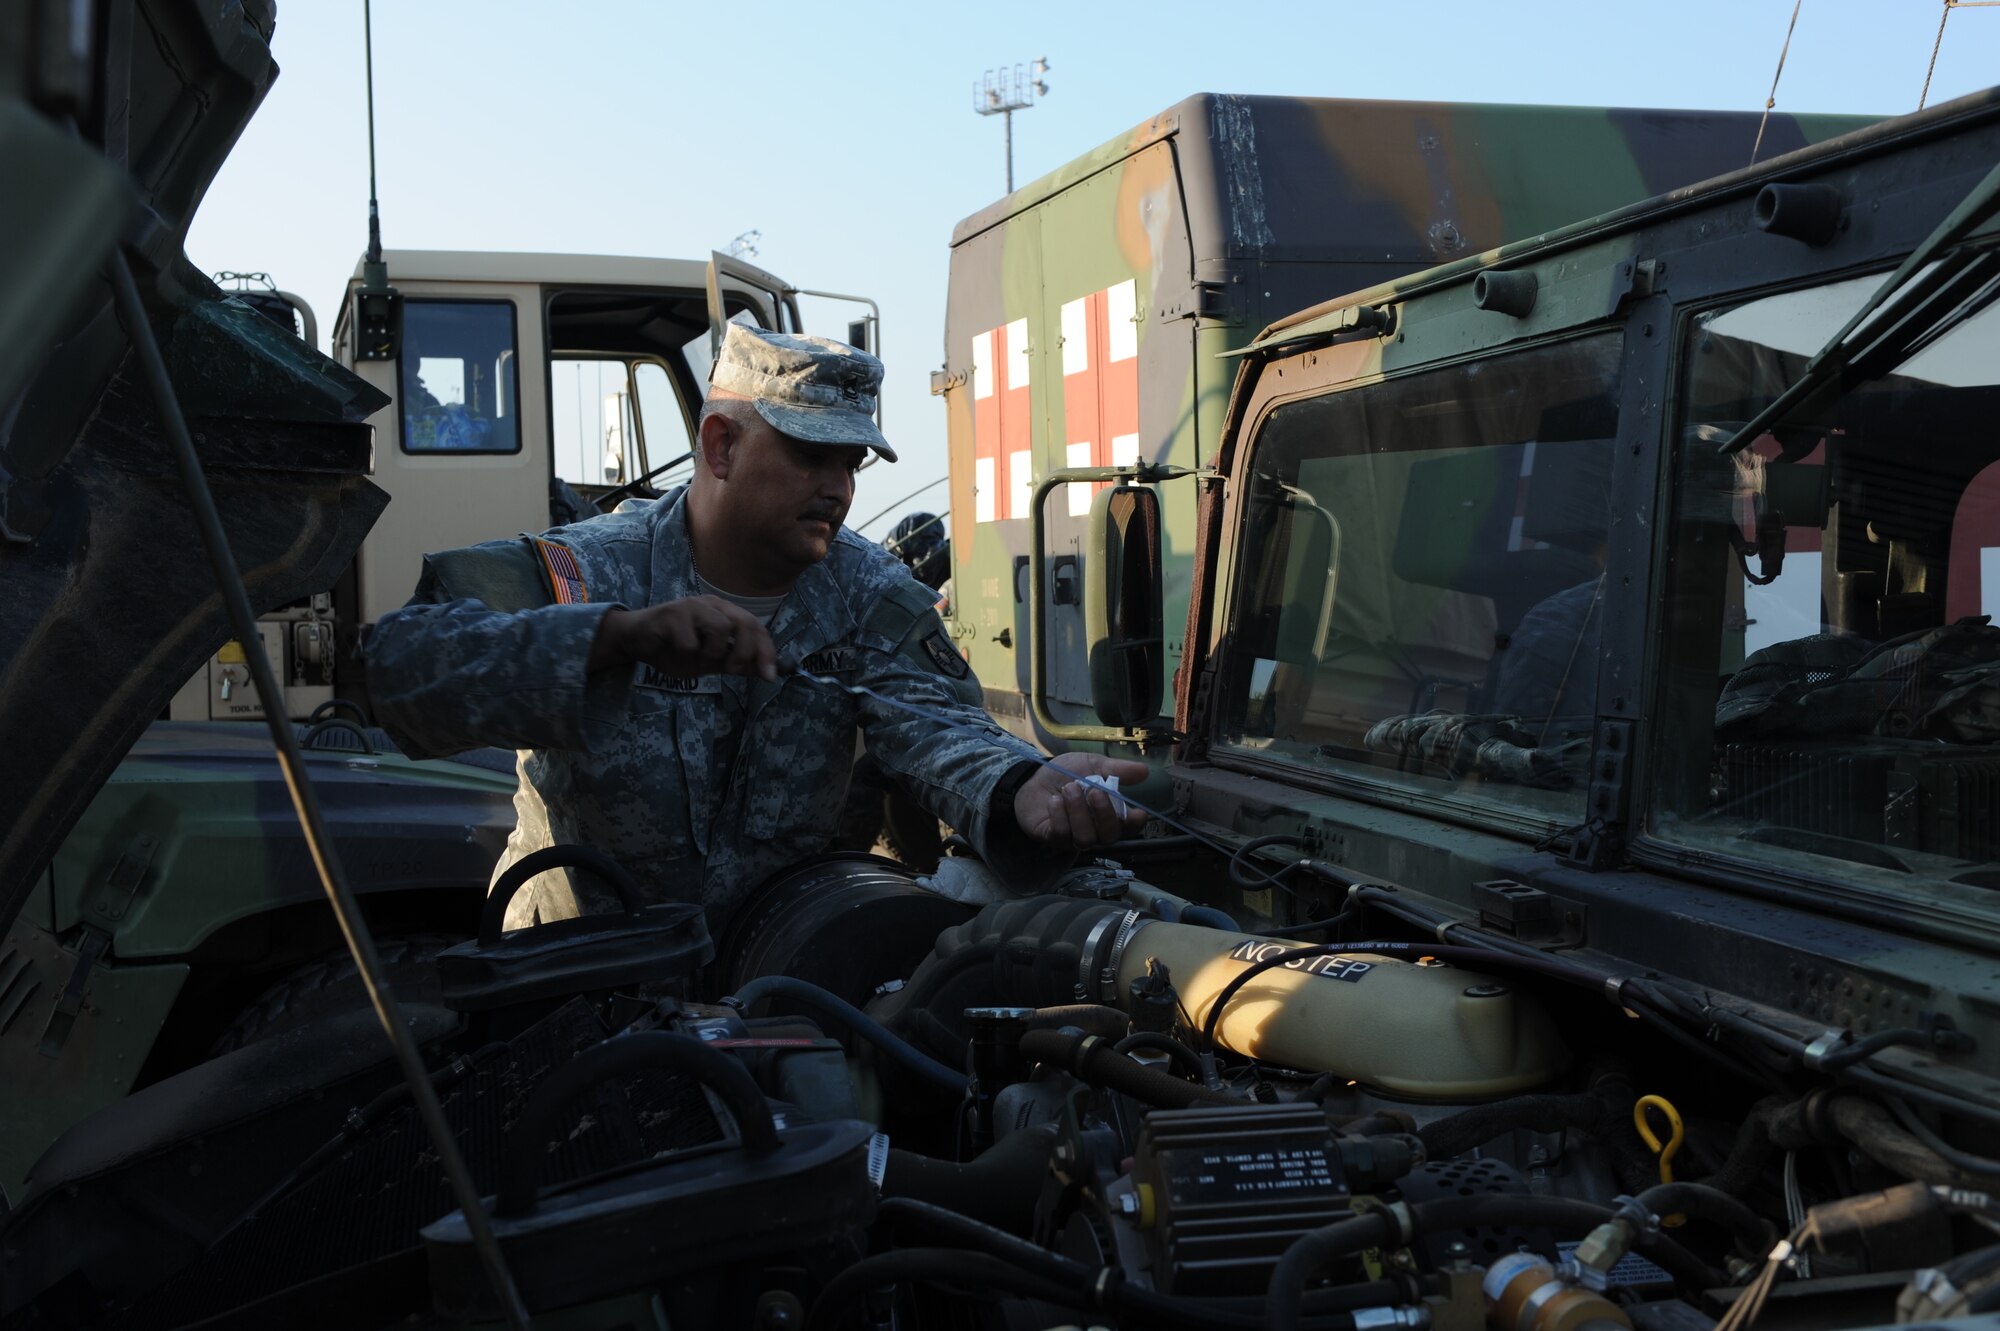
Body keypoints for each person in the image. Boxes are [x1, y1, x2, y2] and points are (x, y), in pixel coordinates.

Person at [367, 323, 1145, 934]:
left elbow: (937, 726)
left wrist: (1019, 785)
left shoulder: (869, 595)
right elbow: (402, 667)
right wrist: (613, 638)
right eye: (812, 455)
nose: (838, 488)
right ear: (721, 444)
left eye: (852, 464)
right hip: (573, 984)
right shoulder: (585, 572)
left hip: (778, 986)